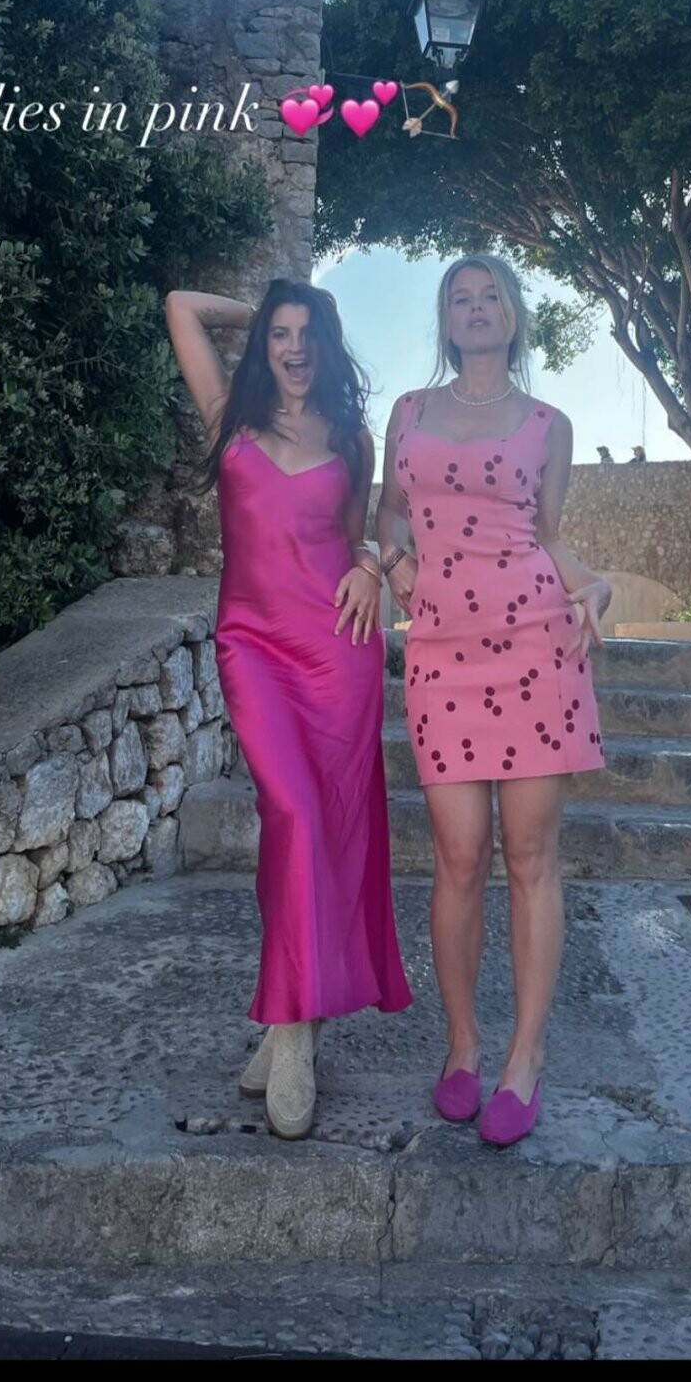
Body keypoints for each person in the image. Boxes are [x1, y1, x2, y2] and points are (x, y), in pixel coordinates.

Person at [165, 280, 411, 1139]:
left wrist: (371, 569)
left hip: (336, 647)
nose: (295, 348)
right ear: (264, 343)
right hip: (254, 648)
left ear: (327, 344)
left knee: (314, 829)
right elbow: (179, 306)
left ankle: (287, 1027)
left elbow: (363, 535)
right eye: (281, 334)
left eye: (309, 333)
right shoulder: (228, 415)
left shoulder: (350, 436)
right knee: (294, 813)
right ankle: (297, 1021)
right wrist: (265, 308)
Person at [377, 256, 611, 1148]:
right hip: (441, 653)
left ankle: (523, 1057)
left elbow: (549, 539)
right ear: (445, 320)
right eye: (459, 298)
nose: (475, 310)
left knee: (531, 855)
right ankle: (462, 1045)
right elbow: (388, 513)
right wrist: (394, 564)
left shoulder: (550, 424)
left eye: (490, 298)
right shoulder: (407, 412)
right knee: (458, 855)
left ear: (513, 318)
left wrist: (594, 587)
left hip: (535, 649)